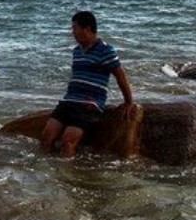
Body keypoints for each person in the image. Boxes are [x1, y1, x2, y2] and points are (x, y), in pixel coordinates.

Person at [40, 10, 134, 160]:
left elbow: (120, 76)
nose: (73, 32)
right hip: (69, 101)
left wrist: (129, 102)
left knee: (67, 140)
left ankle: (66, 177)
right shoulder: (77, 51)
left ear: (87, 29)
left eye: (75, 28)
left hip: (89, 105)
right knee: (46, 136)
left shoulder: (106, 50)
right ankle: (44, 175)